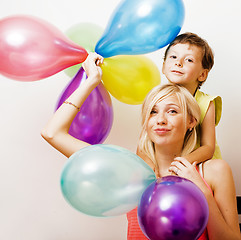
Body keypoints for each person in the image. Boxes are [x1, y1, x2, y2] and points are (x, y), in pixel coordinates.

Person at [41, 53, 240, 240]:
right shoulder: (129, 171)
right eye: (153, 112)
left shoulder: (214, 172)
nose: (160, 120)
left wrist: (203, 192)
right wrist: (91, 81)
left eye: (172, 111)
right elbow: (52, 133)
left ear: (191, 121)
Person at [161, 32, 222, 165]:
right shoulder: (158, 99)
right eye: (173, 57)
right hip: (168, 166)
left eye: (188, 60)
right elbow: (145, 140)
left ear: (202, 74)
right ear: (163, 67)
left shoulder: (206, 103)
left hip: (200, 166)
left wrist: (181, 164)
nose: (178, 63)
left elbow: (208, 148)